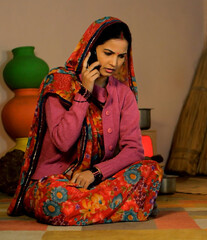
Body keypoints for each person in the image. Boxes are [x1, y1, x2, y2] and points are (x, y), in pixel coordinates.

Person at [7, 16, 163, 226]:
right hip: (57, 182)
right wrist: (83, 94)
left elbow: (134, 150)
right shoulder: (60, 82)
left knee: (150, 171)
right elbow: (62, 142)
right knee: (56, 199)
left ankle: (94, 207)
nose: (114, 63)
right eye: (108, 53)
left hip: (97, 180)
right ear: (90, 48)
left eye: (121, 56)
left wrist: (96, 173)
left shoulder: (123, 94)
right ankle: (127, 205)